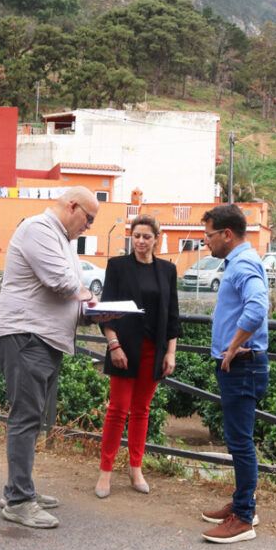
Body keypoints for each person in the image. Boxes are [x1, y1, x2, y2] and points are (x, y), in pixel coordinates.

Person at [0, 186, 106, 529]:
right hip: (27, 336)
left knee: (33, 416)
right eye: (89, 218)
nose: (89, 227)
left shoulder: (63, 240)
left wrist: (94, 314)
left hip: (43, 338)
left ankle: (20, 489)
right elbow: (62, 282)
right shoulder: (38, 229)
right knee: (26, 417)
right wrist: (89, 298)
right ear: (73, 207)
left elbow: (69, 296)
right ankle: (19, 501)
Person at [197, 204, 270, 544]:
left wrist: (233, 345)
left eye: (209, 235)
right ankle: (245, 504)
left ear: (227, 234)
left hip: (241, 366)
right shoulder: (242, 261)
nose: (206, 241)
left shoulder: (242, 264)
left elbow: (258, 306)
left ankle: (242, 518)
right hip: (241, 365)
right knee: (238, 441)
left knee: (240, 444)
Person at [94, 213, 180, 498]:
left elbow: (172, 315)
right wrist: (113, 345)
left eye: (147, 237)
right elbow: (105, 310)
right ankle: (105, 473)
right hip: (123, 349)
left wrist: (170, 353)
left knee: (142, 411)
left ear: (156, 239)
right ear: (131, 237)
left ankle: (135, 469)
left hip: (152, 351)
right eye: (136, 236)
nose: (141, 241)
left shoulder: (167, 270)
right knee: (118, 410)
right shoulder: (118, 266)